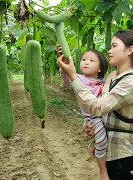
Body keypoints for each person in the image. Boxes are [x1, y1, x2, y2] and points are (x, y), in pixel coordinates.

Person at [57, 29, 133, 180]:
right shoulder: (112, 76)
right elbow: (103, 111)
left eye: (114, 46)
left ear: (129, 50)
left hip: (123, 156)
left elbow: (97, 106)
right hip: (109, 153)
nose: (109, 51)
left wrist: (73, 76)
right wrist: (90, 126)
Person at [58, 48, 109, 180]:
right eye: (84, 59)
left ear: (100, 69)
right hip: (92, 118)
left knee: (105, 140)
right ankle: (103, 170)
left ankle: (100, 152)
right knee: (102, 142)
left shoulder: (103, 82)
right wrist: (64, 67)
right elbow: (67, 79)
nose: (86, 62)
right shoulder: (78, 78)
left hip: (103, 116)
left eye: (91, 60)